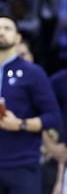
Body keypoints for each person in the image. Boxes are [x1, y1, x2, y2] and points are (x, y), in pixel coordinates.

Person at [0, 15, 61, 194]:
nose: (1, 32)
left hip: (22, 165)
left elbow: (53, 117)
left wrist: (20, 124)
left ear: (18, 37)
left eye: (7, 28)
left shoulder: (32, 72)